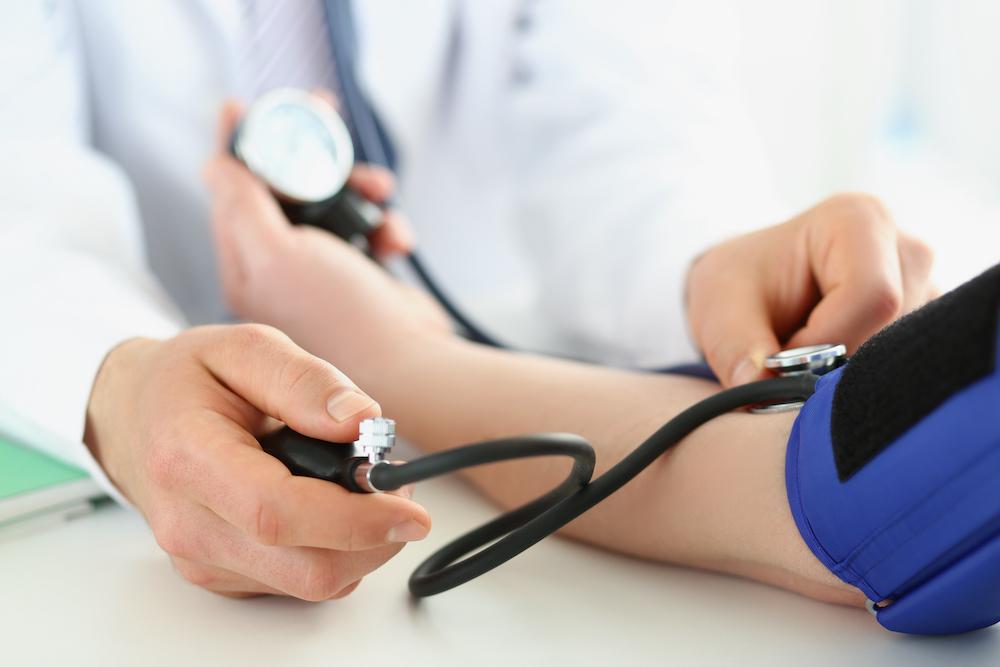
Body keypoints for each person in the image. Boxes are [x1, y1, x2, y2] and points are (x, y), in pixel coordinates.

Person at [0, 1, 934, 599]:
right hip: (152, 432)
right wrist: (118, 377)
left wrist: (714, 257)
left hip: (488, 347)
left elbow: (638, 115)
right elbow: (20, 208)